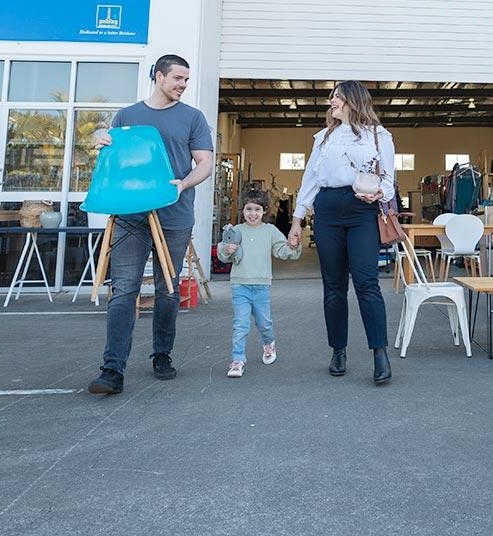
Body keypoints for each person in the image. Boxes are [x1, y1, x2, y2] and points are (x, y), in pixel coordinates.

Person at [87, 54, 214, 395]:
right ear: (159, 77)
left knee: (166, 290)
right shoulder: (128, 115)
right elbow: (114, 159)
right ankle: (112, 369)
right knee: (124, 289)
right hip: (130, 215)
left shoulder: (193, 118)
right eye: (178, 79)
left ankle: (162, 354)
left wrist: (184, 184)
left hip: (174, 214)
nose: (183, 85)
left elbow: (205, 162)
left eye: (186, 80)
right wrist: (102, 145)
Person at [286, 80, 395, 385]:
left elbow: (388, 179)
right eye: (332, 97)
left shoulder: (379, 135)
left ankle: (379, 353)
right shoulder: (323, 138)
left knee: (366, 282)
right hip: (328, 210)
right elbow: (310, 180)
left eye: (336, 97)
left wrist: (379, 195)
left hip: (362, 210)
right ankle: (338, 350)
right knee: (333, 287)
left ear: (352, 101)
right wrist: (297, 220)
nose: (331, 102)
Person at [217, 189, 302, 378]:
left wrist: (293, 245)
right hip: (240, 285)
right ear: (242, 210)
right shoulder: (236, 231)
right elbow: (223, 252)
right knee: (240, 324)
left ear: (264, 211)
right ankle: (237, 359)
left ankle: (268, 343)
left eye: (257, 209)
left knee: (264, 323)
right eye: (248, 209)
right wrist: (227, 249)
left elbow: (281, 250)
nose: (252, 213)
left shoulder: (270, 231)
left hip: (262, 286)